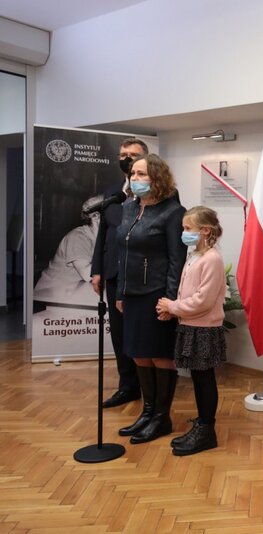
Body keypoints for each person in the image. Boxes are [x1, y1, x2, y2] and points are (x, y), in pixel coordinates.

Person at [116, 154, 187, 444]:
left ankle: (161, 417)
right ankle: (147, 413)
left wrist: (170, 301)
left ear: (157, 177)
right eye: (133, 173)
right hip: (131, 294)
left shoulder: (173, 212)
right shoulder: (128, 208)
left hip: (156, 295)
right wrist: (120, 291)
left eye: (142, 174)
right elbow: (123, 253)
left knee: (160, 355)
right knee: (138, 353)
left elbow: (177, 260)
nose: (135, 178)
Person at [155, 206, 226, 456]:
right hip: (191, 325)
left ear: (205, 230)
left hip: (204, 329)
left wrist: (173, 307)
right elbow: (188, 291)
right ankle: (202, 423)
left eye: (188, 228)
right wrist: (174, 311)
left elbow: (203, 301)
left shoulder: (212, 259)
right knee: (198, 377)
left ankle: (207, 431)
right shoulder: (195, 255)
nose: (184, 233)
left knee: (204, 379)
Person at [91, 138, 149, 408]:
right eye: (122, 154)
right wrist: (97, 270)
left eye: (132, 155)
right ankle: (128, 386)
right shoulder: (113, 193)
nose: (126, 159)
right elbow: (103, 234)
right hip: (114, 274)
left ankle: (150, 388)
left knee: (140, 333)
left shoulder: (159, 192)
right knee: (119, 334)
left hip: (142, 276)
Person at [34, 194, 104, 306]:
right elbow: (88, 274)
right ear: (95, 217)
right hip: (49, 296)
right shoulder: (78, 237)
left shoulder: (101, 239)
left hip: (74, 290)